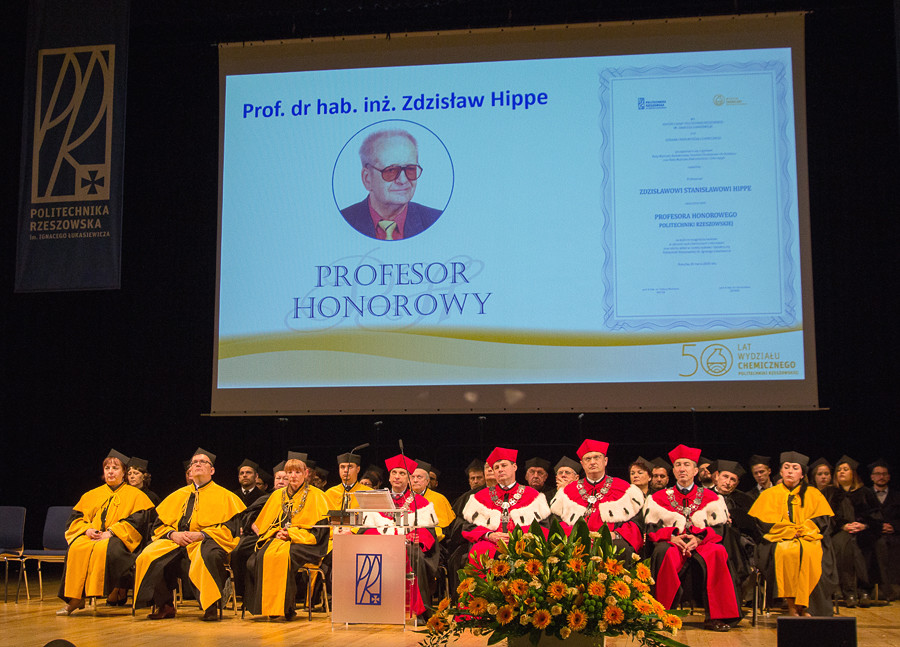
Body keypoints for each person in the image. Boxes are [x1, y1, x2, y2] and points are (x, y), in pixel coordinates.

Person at [133, 448, 245, 621]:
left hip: (206, 540)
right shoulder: (177, 495)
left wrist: (202, 535)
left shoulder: (226, 497)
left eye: (203, 462)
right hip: (176, 541)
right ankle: (165, 605)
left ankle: (210, 606)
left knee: (210, 555)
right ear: (190, 471)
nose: (198, 464)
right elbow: (158, 526)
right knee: (147, 556)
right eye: (194, 463)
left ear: (212, 470)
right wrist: (173, 535)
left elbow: (230, 529)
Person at [644, 444, 740, 632]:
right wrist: (671, 537)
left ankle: (717, 617)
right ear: (673, 471)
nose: (682, 469)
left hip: (702, 543)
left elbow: (719, 529)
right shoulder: (657, 498)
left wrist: (700, 539)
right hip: (673, 543)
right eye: (678, 465)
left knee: (718, 551)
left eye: (687, 464)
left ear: (696, 471)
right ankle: (662, 614)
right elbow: (651, 528)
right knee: (662, 552)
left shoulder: (712, 497)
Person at [57, 450, 155, 615]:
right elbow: (75, 519)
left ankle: (113, 593)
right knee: (76, 547)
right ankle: (75, 598)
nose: (110, 471)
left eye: (115, 468)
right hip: (93, 535)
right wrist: (87, 530)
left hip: (121, 538)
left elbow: (138, 523)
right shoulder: (91, 495)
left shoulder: (136, 495)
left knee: (108, 549)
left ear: (124, 472)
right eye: (107, 468)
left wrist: (111, 532)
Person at [748, 452, 837, 616]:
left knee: (810, 553)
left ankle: (806, 605)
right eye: (786, 467)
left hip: (808, 537)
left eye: (795, 468)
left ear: (802, 474)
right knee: (787, 552)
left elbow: (822, 521)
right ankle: (792, 605)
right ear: (781, 472)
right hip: (777, 540)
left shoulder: (813, 494)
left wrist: (801, 530)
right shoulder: (768, 495)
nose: (790, 471)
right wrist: (788, 531)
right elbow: (762, 524)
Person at [243, 457, 331, 619]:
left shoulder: (317, 496)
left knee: (285, 557)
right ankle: (266, 606)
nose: (293, 476)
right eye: (290, 472)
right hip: (279, 539)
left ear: (306, 473)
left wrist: (292, 534)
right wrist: (276, 533)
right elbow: (264, 525)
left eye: (297, 472)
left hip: (308, 544)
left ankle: (285, 608)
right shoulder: (278, 495)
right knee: (258, 558)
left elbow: (319, 532)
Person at [359, 455, 438, 618]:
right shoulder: (376, 499)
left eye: (402, 473)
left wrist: (414, 537)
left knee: (416, 555)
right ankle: (362, 608)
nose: (397, 476)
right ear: (389, 477)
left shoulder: (420, 502)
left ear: (409, 479)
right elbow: (366, 528)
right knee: (360, 553)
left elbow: (428, 531)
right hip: (380, 545)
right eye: (394, 473)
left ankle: (421, 611)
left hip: (407, 547)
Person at [340, 129, 441, 240]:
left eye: (410, 169)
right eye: (391, 171)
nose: (403, 180)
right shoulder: (342, 221)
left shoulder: (436, 220)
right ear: (367, 178)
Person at [550, 439, 644, 555]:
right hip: (576, 541)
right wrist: (576, 534)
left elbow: (635, 523)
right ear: (582, 464)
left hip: (612, 541)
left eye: (597, 457)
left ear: (605, 461)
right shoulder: (567, 492)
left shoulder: (624, 488)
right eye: (588, 459)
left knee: (620, 546)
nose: (592, 462)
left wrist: (616, 534)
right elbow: (557, 521)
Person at [461, 447, 550, 568]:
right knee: (480, 550)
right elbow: (468, 527)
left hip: (523, 544)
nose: (500, 470)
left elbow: (544, 528)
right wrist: (489, 535)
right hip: (491, 545)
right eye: (496, 467)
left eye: (504, 465)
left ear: (514, 467)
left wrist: (518, 536)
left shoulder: (533, 495)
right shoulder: (480, 497)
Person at [834, 455, 882, 606]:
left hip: (863, 530)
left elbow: (877, 516)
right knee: (844, 546)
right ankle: (848, 592)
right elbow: (828, 517)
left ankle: (864, 590)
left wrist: (864, 525)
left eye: (845, 469)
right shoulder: (832, 493)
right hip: (840, 531)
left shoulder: (866, 492)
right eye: (839, 470)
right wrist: (843, 526)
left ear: (853, 473)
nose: (841, 472)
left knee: (863, 545)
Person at [869, 459, 900, 600]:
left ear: (889, 477)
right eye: (877, 474)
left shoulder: (897, 496)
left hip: (895, 534)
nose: (881, 477)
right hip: (873, 533)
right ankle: (877, 587)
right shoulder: (865, 494)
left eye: (884, 474)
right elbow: (861, 515)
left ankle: (894, 586)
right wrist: (878, 527)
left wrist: (893, 526)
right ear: (872, 477)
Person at [412, 459, 456, 542]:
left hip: (434, 542)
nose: (415, 480)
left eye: (419, 477)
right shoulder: (403, 498)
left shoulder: (439, 498)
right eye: (412, 477)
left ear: (427, 481)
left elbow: (446, 528)